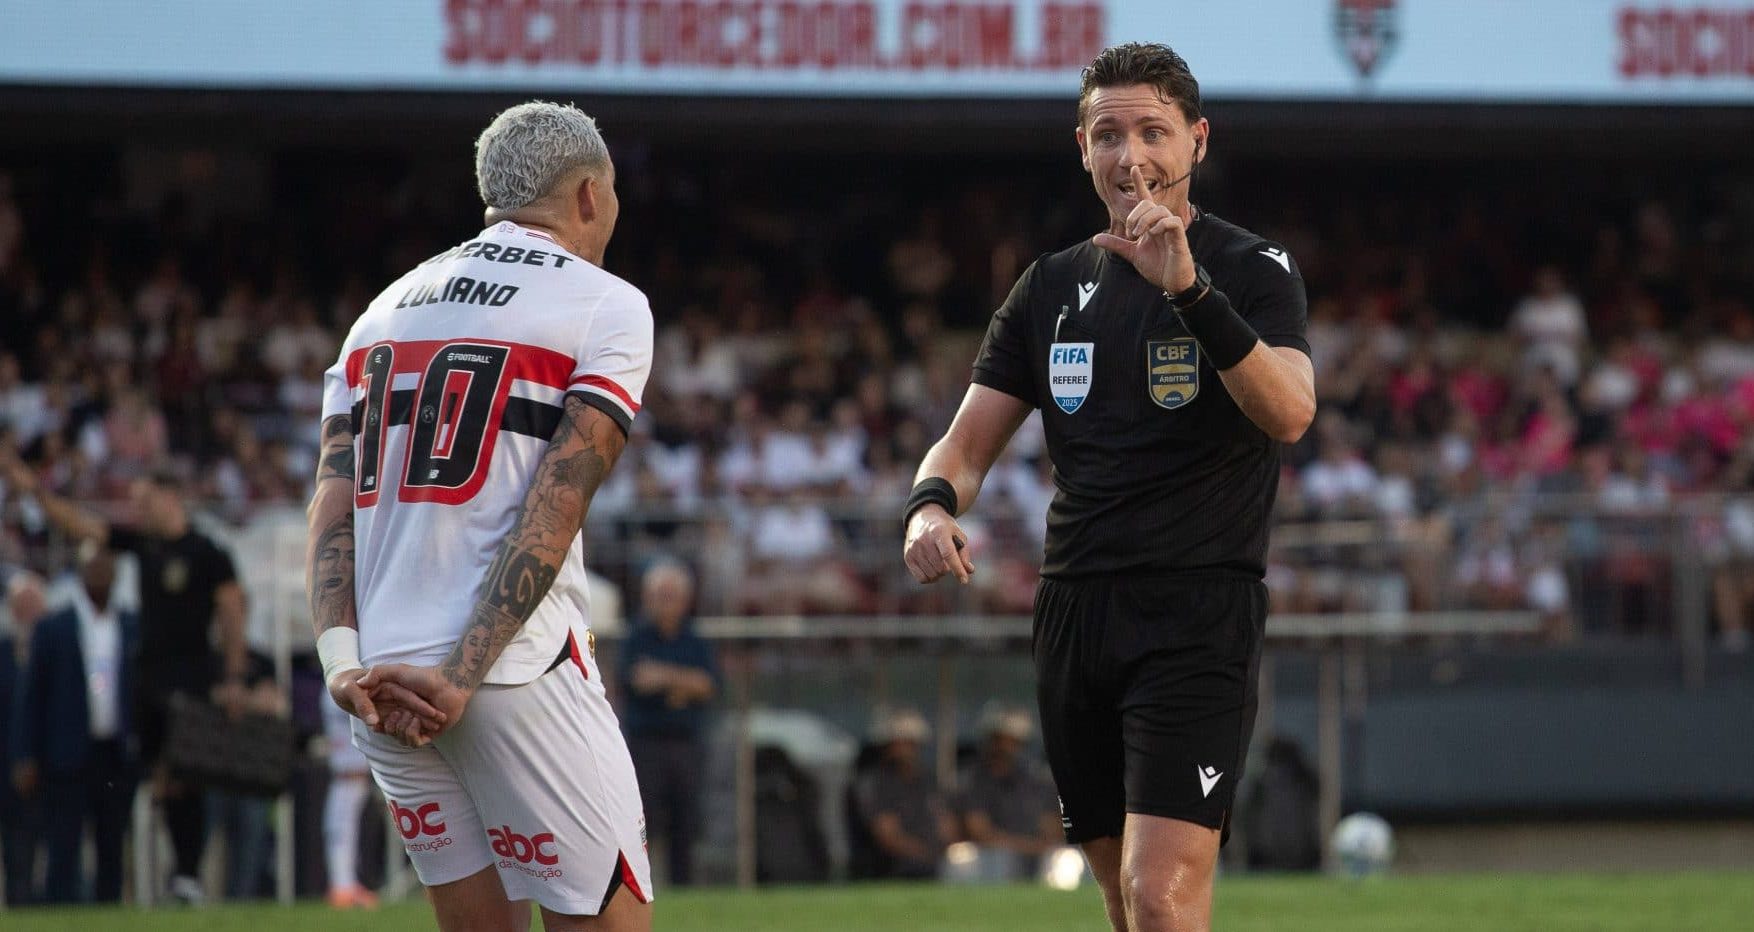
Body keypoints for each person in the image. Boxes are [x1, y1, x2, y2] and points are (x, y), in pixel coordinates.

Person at [902, 43, 1315, 932]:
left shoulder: (1250, 269)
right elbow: (963, 447)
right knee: (1124, 910)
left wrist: (1189, 290)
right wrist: (930, 505)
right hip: (1076, 613)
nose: (1133, 157)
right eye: (1109, 134)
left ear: (1197, 142)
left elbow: (1290, 412)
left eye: (1154, 132)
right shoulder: (1050, 286)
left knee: (1159, 899)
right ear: (1082, 148)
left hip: (1197, 611)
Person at [305, 101, 654, 932]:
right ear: (587, 197)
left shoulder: (378, 314)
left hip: (382, 679)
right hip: (509, 673)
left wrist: (339, 666)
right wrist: (462, 675)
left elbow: (330, 502)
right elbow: (557, 503)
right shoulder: (605, 305)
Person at [1, 461, 247, 905]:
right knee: (154, 780)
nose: (138, 509)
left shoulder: (208, 553)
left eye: (144, 500)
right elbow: (82, 527)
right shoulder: (144, 546)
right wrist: (36, 491)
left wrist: (233, 676)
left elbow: (232, 612)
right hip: (147, 686)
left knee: (186, 777)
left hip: (191, 683)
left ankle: (187, 874)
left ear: (169, 496)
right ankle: (168, 877)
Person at [10, 541, 138, 904]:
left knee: (112, 843)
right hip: (67, 752)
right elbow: (31, 696)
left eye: (106, 567)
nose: (100, 574)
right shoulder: (55, 627)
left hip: (114, 750)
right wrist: (26, 754)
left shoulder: (128, 624)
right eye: (93, 567)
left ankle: (109, 911)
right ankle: (60, 910)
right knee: (63, 843)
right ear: (80, 573)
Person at [618, 561, 719, 887]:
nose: (666, 603)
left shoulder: (695, 640)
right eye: (660, 595)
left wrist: (665, 677)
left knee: (685, 820)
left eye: (672, 596)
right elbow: (636, 680)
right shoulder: (637, 638)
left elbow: (708, 684)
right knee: (644, 821)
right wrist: (683, 683)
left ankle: (683, 886)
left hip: (686, 743)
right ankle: (642, 887)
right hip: (647, 743)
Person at [953, 705, 1063, 881]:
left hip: (1037, 859)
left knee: (1064, 859)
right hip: (989, 863)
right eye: (998, 740)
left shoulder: (1034, 781)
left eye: (1011, 741)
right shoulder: (974, 781)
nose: (1003, 747)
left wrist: (1041, 846)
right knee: (1000, 860)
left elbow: (1051, 828)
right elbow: (980, 832)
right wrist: (1027, 847)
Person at [852, 707, 955, 880]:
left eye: (910, 743)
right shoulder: (874, 783)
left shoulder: (928, 780)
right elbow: (887, 836)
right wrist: (928, 855)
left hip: (935, 868)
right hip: (891, 871)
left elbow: (947, 824)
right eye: (899, 742)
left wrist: (947, 854)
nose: (905, 749)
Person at [1, 570, 48, 906]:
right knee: (15, 851)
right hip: (5, 770)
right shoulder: (3, 651)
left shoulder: (56, 651)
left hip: (51, 769)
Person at [321, 694, 380, 910]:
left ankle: (347, 883)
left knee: (347, 832)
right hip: (346, 774)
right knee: (341, 831)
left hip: (352, 774)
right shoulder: (335, 690)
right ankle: (342, 886)